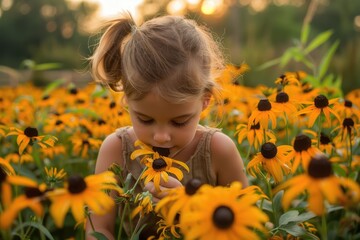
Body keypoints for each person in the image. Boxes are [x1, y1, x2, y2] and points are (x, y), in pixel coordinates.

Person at [85, 12, 248, 240]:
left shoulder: (219, 152)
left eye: (179, 121)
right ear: (126, 101)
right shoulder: (116, 151)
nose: (161, 137)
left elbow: (246, 226)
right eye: (145, 119)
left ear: (205, 101)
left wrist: (189, 206)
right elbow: (98, 228)